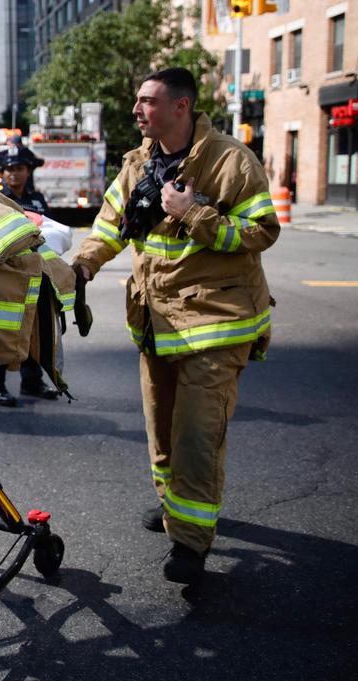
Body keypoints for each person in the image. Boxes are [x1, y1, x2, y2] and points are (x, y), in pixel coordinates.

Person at [71, 68, 279, 585]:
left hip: (216, 324)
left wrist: (194, 214)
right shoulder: (138, 163)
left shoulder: (231, 160)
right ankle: (175, 510)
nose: (137, 110)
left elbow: (262, 232)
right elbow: (109, 227)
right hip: (157, 321)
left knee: (195, 437)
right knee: (162, 431)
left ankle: (190, 543)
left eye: (147, 101)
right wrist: (82, 266)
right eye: (137, 101)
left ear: (181, 107)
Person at [0, 143, 61, 406]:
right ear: (1, 173)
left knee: (33, 329)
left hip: (35, 273)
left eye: (20, 168)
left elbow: (48, 233)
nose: (14, 174)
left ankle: (32, 382)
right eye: (9, 169)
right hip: (6, 276)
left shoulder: (37, 199)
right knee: (3, 330)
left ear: (28, 171)